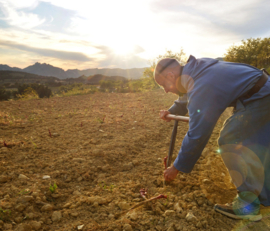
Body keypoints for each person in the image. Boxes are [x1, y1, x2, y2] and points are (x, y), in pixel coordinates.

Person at [154, 56, 270, 221]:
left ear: (171, 76)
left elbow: (197, 134)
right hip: (264, 91)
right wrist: (172, 110)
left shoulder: (201, 84)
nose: (165, 90)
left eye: (163, 85)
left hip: (260, 97)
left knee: (230, 139)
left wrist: (176, 167)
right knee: (259, 144)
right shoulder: (197, 69)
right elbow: (190, 91)